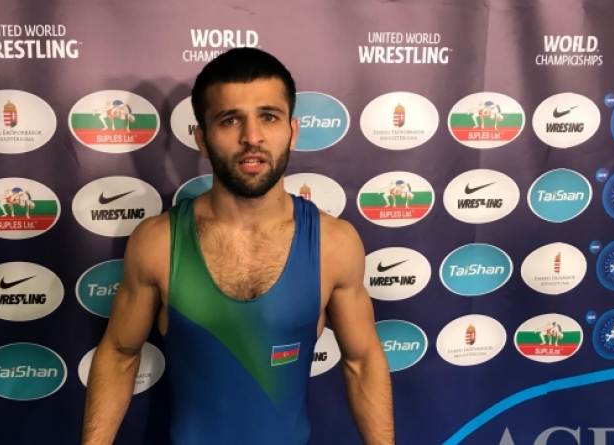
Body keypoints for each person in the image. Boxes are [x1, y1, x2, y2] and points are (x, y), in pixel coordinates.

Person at [81, 47, 394, 445]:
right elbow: (119, 356)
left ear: (293, 131)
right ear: (202, 139)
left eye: (269, 116)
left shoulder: (335, 243)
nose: (252, 137)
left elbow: (362, 362)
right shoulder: (158, 242)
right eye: (230, 119)